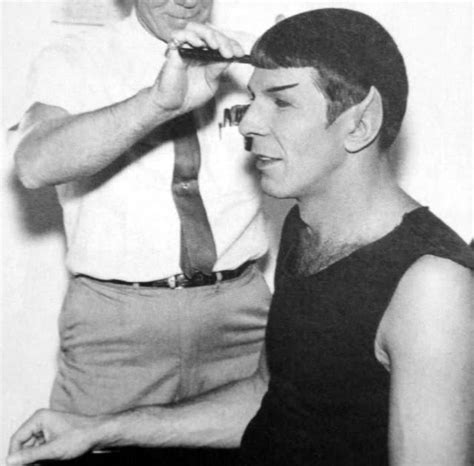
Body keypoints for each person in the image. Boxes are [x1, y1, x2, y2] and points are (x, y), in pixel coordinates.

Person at [8, 7, 473, 466]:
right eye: (254, 100)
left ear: (361, 122)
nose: (247, 123)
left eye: (282, 102)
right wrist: (100, 429)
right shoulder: (308, 231)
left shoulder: (432, 286)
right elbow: (266, 399)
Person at [11, 0, 271, 421]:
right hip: (117, 328)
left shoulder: (253, 56)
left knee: (261, 442)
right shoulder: (73, 59)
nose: (187, 1)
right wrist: (157, 105)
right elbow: (33, 166)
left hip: (240, 316)